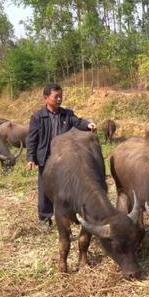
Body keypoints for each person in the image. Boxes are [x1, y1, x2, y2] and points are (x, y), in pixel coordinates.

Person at [27, 83, 96, 229]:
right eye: (56, 97)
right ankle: (45, 219)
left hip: (64, 157)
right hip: (46, 158)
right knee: (45, 188)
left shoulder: (67, 114)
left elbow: (78, 122)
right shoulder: (38, 117)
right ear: (46, 98)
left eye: (61, 96)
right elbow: (32, 139)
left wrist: (88, 124)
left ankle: (68, 214)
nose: (59, 99)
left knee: (68, 187)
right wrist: (31, 158)